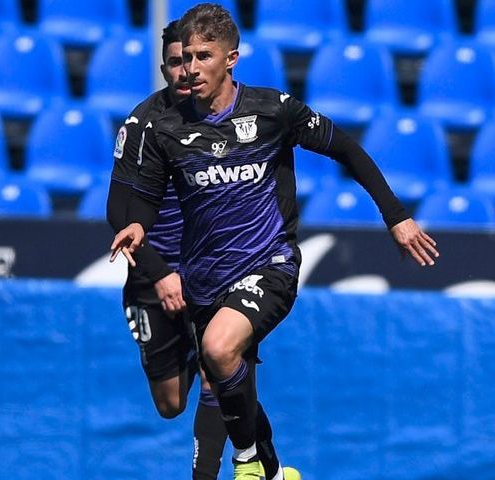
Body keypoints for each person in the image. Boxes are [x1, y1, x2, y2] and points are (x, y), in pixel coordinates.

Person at [110, 3, 439, 480]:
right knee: (216, 382)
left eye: (203, 56)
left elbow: (345, 148)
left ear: (231, 59)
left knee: (218, 351)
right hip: (204, 276)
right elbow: (144, 198)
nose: (191, 68)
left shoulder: (272, 110)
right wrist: (139, 227)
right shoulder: (165, 128)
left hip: (269, 264)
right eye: (185, 58)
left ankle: (244, 463)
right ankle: (272, 469)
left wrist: (397, 217)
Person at [106, 20, 229, 480]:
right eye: (175, 62)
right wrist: (158, 273)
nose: (185, 71)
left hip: (207, 271)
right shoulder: (141, 124)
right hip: (153, 274)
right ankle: (190, 351)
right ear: (164, 69)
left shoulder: (223, 117)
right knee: (170, 403)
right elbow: (117, 212)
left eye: (192, 60)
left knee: (219, 369)